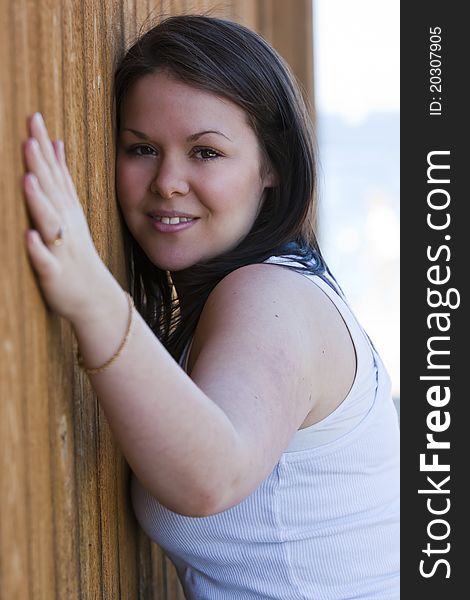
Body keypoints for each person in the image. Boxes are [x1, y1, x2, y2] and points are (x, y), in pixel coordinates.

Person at [22, 14, 399, 600]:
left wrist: (91, 292)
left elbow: (211, 476)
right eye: (142, 148)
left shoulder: (272, 296)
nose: (169, 181)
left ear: (270, 167)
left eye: (205, 152)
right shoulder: (272, 290)